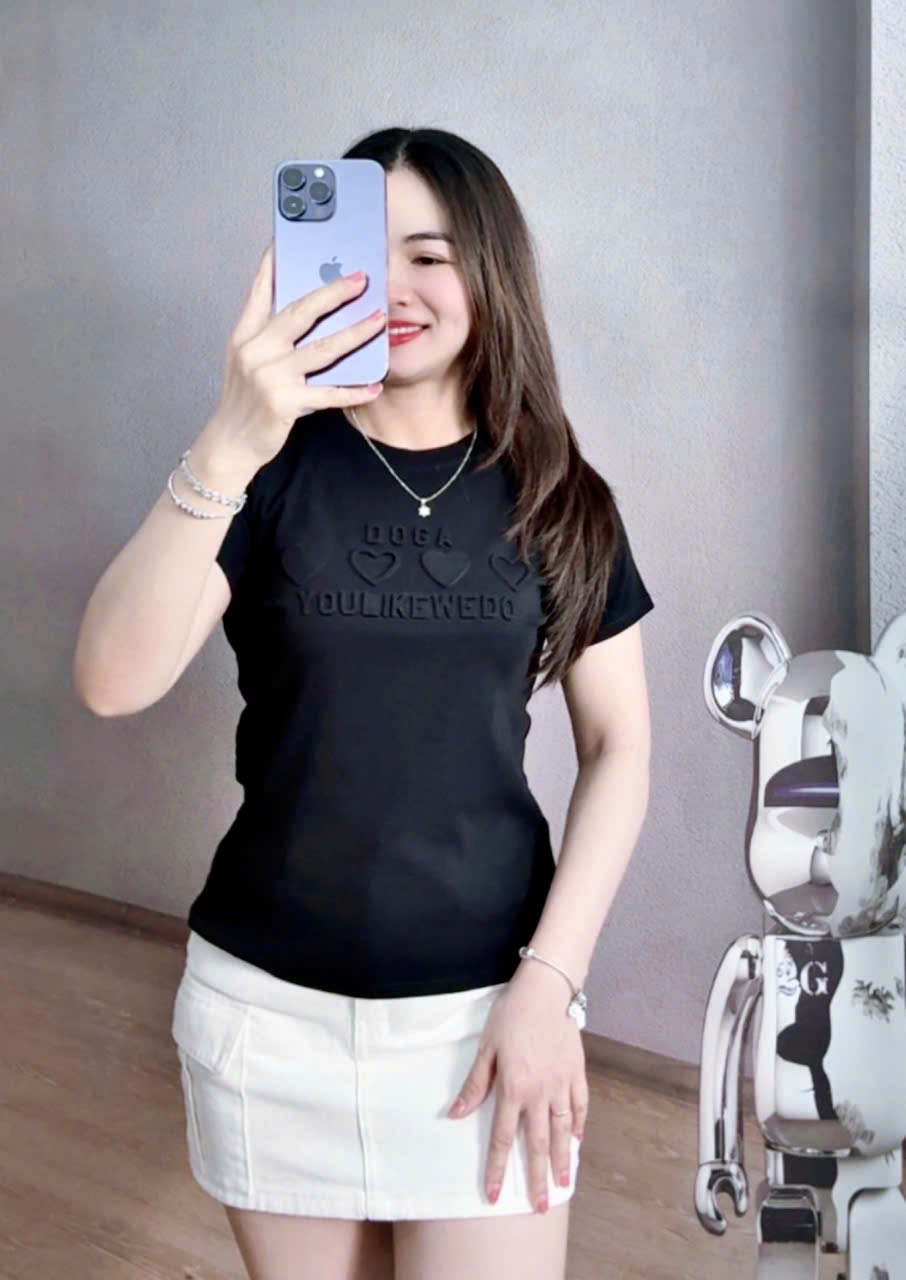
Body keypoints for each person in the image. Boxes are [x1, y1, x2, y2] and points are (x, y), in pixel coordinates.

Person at [72, 126, 655, 1280]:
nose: (392, 287)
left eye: (429, 256)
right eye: (362, 251)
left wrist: (549, 984)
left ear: (492, 275)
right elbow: (111, 679)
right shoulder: (263, 470)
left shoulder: (558, 493)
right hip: (268, 1016)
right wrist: (233, 433)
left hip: (488, 1014)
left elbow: (619, 745)